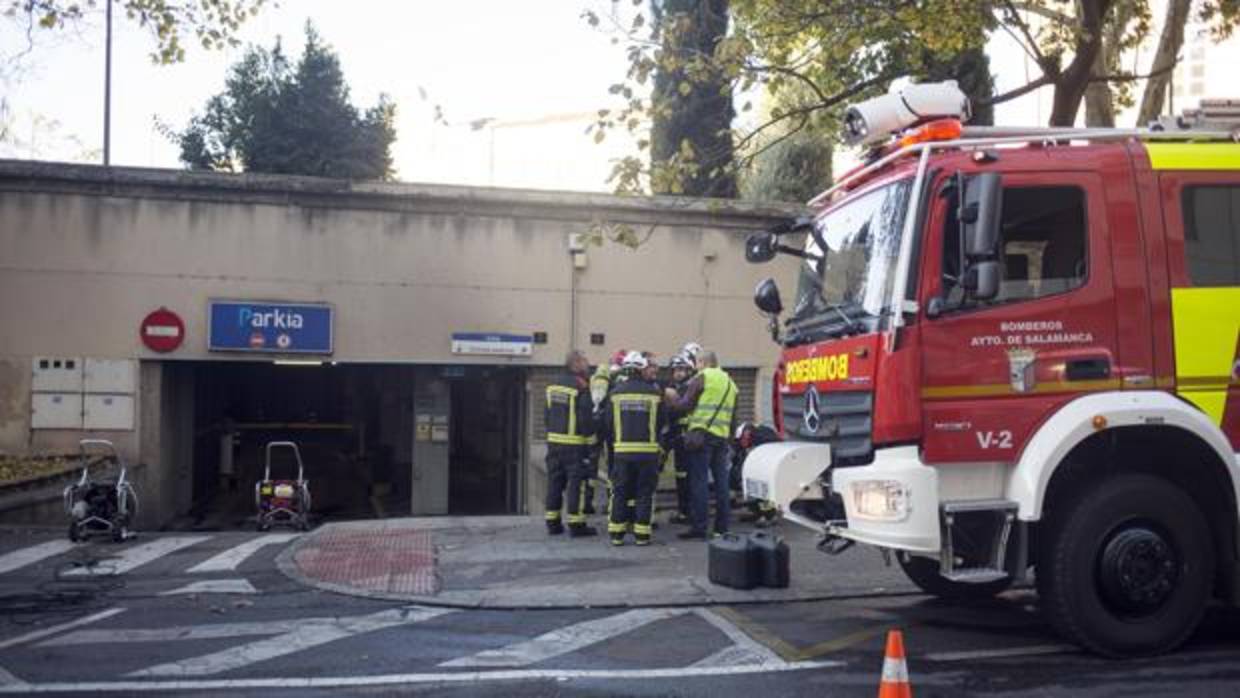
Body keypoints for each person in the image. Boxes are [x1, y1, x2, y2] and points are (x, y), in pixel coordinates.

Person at [664, 349, 738, 540]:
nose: (695, 366)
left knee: (699, 482)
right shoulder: (730, 382)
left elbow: (685, 405)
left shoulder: (702, 378)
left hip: (701, 436)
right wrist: (730, 440)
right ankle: (722, 528)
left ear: (703, 363)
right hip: (721, 438)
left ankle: (699, 527)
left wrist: (671, 398)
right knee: (722, 484)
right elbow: (733, 418)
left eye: (697, 362)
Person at [600, 351, 666, 546]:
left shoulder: (615, 394)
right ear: (641, 368)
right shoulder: (655, 394)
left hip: (622, 451)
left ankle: (616, 534)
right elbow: (662, 422)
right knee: (644, 492)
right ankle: (642, 535)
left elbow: (608, 424)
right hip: (648, 452)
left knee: (620, 491)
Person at [544, 350, 597, 537]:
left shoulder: (552, 386)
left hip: (553, 443)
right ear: (576, 364)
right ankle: (577, 524)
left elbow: (547, 415)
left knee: (554, 483)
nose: (588, 365)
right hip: (574, 445)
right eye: (585, 362)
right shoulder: (581, 386)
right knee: (577, 484)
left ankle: (552, 523)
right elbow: (585, 418)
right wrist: (591, 442)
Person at [661, 353, 695, 525]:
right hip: (672, 434)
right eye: (676, 370)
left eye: (682, 370)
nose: (678, 373)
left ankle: (687, 512)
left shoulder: (692, 387)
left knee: (686, 475)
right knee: (678, 475)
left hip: (686, 436)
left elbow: (681, 408)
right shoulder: (671, 387)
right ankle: (683, 511)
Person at [732, 422, 780, 526]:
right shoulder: (759, 438)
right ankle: (762, 513)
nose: (742, 444)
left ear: (747, 434)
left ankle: (768, 515)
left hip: (765, 473)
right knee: (757, 490)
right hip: (766, 471)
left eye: (742, 440)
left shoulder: (761, 439)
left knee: (761, 492)